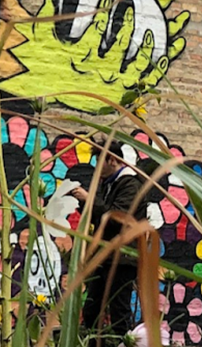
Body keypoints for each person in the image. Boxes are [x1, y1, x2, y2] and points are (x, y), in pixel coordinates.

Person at [71, 137, 148, 339]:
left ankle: (121, 343)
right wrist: (85, 204)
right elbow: (102, 216)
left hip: (122, 259)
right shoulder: (109, 184)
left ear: (112, 160)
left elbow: (117, 218)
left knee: (118, 312)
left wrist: (90, 199)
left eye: (100, 162)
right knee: (92, 309)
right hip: (105, 257)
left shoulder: (130, 185)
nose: (97, 168)